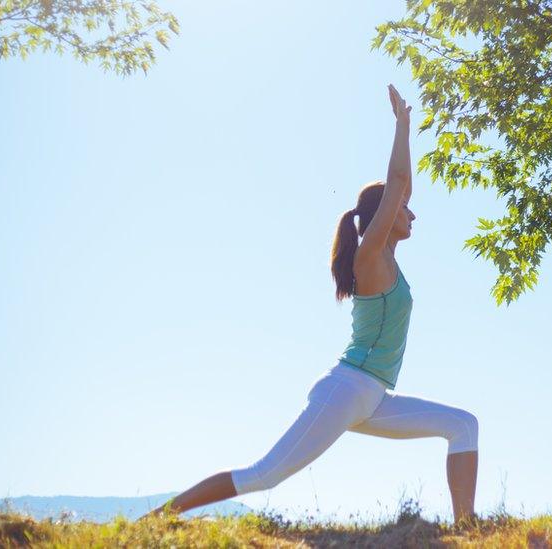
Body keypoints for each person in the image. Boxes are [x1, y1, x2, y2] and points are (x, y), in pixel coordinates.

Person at [141, 85, 479, 525]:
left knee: (463, 425)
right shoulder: (370, 258)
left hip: (374, 396)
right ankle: (155, 518)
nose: (412, 215)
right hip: (346, 390)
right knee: (262, 476)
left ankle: (467, 529)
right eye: (404, 209)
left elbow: (401, 189)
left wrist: (404, 141)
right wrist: (402, 125)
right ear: (384, 214)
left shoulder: (387, 258)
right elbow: (398, 184)